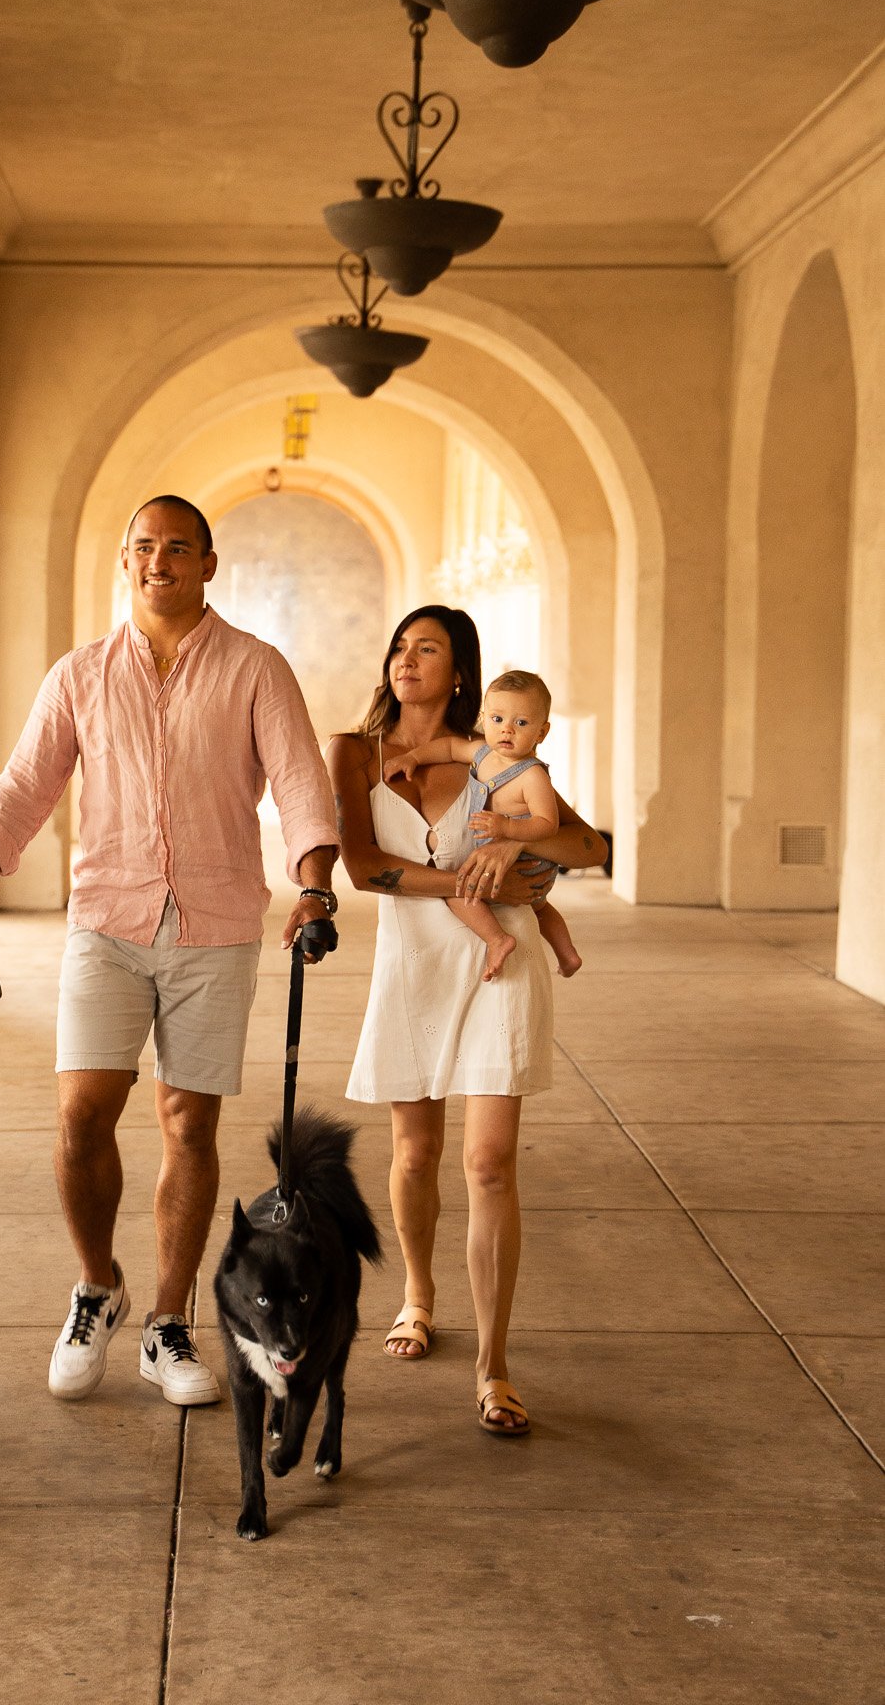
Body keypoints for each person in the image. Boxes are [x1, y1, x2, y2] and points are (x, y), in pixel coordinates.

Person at [0, 495, 339, 1409]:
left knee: (187, 1127)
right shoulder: (78, 676)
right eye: (143, 548)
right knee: (82, 1115)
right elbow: (24, 784)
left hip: (216, 925)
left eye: (176, 548)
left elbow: (298, 781)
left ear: (209, 563)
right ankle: (99, 1286)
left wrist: (314, 885)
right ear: (124, 563)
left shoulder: (255, 668)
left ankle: (167, 1321)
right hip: (107, 922)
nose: (157, 561)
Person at [328, 606, 605, 1437]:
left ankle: (493, 1366)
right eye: (399, 647)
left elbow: (588, 845)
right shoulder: (353, 752)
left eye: (429, 650)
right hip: (411, 968)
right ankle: (417, 1296)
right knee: (415, 1154)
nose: (407, 661)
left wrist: (515, 854)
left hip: (502, 962)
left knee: (489, 1166)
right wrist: (462, 883)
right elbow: (365, 866)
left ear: (461, 674)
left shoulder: (495, 754)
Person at [386, 667, 583, 982]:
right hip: (507, 857)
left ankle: (497, 938)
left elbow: (547, 824)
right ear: (484, 718)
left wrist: (507, 828)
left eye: (521, 723)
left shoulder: (532, 775)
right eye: (497, 719)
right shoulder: (483, 753)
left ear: (541, 733)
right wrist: (414, 757)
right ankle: (567, 955)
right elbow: (449, 747)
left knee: (456, 890)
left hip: (525, 861)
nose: (507, 730)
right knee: (541, 908)